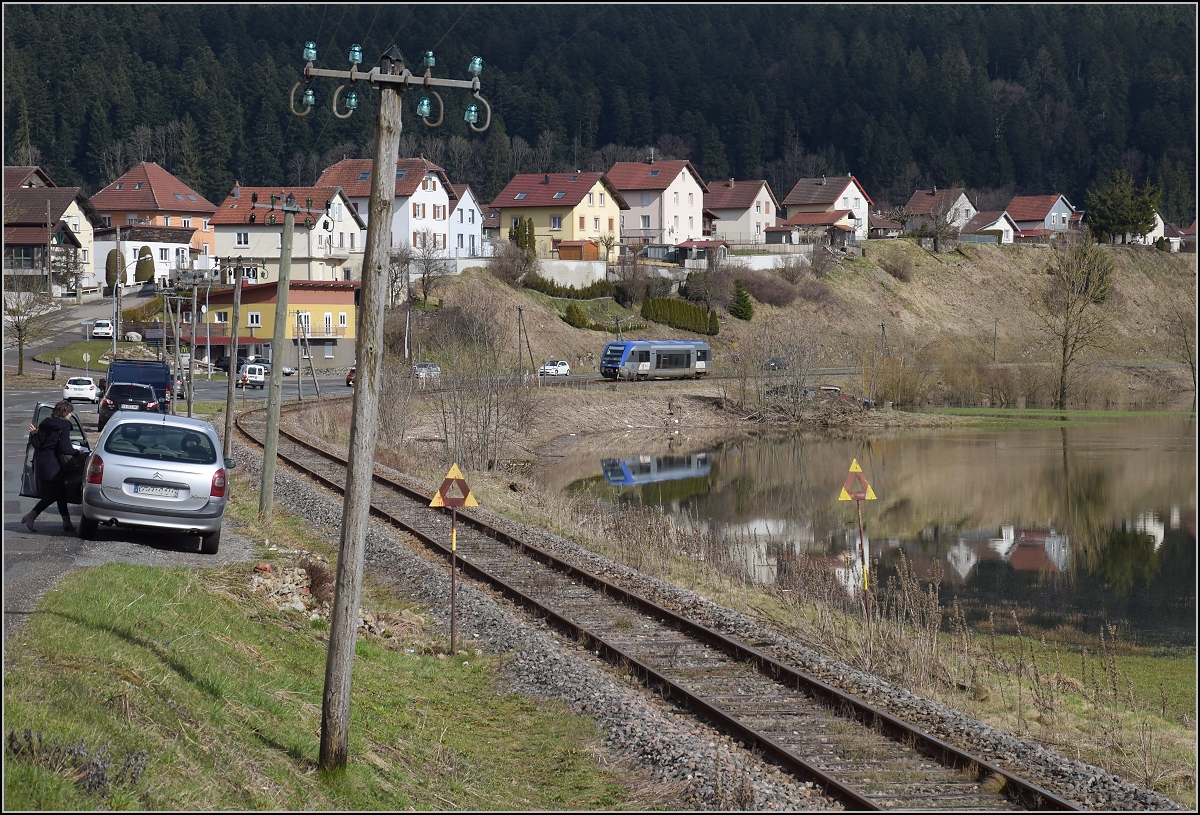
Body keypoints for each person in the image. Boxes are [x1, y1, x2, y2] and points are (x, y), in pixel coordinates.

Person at [22, 400, 84, 534]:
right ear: (66, 413)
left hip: (42, 463)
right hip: (54, 464)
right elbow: (64, 447)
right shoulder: (65, 426)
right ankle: (31, 516)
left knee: (60, 492)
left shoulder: (45, 424)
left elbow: (37, 444)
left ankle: (67, 523)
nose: (70, 415)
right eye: (69, 413)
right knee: (54, 494)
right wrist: (77, 452)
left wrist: (34, 434)